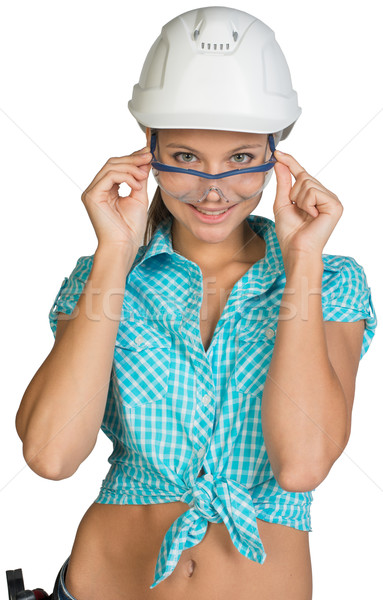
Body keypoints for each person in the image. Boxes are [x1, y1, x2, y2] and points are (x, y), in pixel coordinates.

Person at [15, 6, 377, 600]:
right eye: (185, 158)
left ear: (275, 156)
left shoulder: (328, 280)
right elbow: (52, 455)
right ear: (149, 151)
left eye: (240, 159)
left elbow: (303, 465)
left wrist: (302, 260)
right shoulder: (103, 277)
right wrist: (114, 251)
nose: (213, 189)